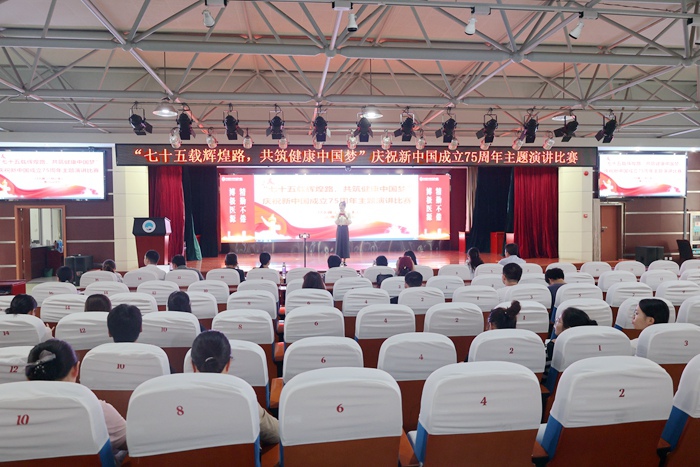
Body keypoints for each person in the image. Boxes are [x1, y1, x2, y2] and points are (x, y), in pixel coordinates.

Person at [25, 339, 127, 459]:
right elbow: (134, 443)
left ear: (28, 378)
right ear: (76, 369)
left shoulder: (10, 413)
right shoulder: (96, 410)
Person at [190, 331, 279, 446]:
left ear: (193, 365)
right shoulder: (242, 396)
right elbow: (277, 433)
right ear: (228, 364)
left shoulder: (175, 399)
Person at [544, 307, 598, 384]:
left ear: (568, 330)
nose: (555, 323)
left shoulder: (551, 348)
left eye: (558, 321)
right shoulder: (591, 349)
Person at [335, 201, 351, 266]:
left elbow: (349, 222)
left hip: (345, 228)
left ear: (344, 206)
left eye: (341, 205)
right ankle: (339, 260)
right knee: (339, 244)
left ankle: (344, 261)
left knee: (345, 244)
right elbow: (336, 222)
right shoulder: (337, 213)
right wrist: (338, 217)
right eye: (340, 205)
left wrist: (346, 216)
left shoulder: (348, 213)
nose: (340, 207)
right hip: (339, 228)